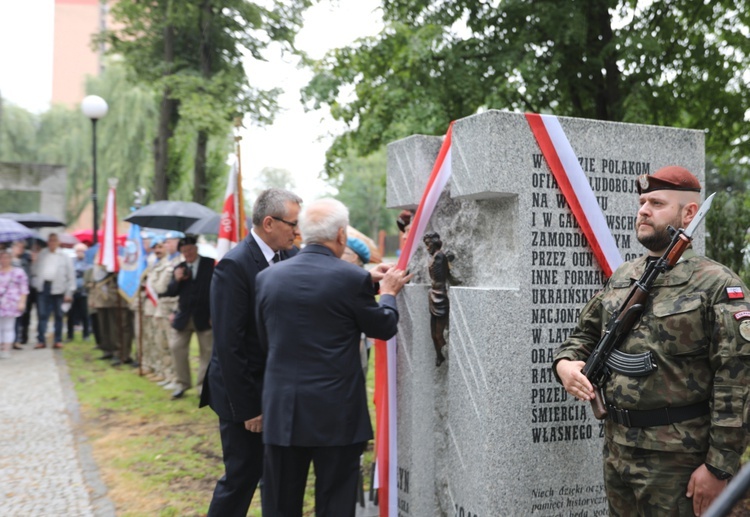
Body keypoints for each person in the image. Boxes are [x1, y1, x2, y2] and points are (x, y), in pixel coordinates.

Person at [553, 165, 750, 516]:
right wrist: (565, 365)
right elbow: (584, 335)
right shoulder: (624, 276)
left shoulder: (716, 284)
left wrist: (720, 467)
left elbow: (737, 379)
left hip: (680, 460)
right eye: (642, 201)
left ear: (689, 213)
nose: (643, 210)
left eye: (657, 203)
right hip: (618, 451)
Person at [256, 198, 411, 517]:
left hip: (283, 410)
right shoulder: (350, 279)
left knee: (280, 503)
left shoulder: (268, 278)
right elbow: (383, 327)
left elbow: (265, 337)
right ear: (341, 235)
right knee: (335, 502)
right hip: (335, 414)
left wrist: (366, 281)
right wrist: (389, 295)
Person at [199, 188, 302, 516]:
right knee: (242, 477)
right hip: (241, 393)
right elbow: (229, 345)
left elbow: (323, 272)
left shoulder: (289, 256)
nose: (297, 232)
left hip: (275, 389)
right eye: (292, 224)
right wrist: (248, 409)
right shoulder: (235, 265)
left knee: (275, 476)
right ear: (269, 223)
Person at [162, 235, 213, 400]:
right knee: (176, 348)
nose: (188, 253)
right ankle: (182, 384)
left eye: (190, 249)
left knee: (207, 352)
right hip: (184, 317)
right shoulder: (180, 267)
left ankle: (202, 387)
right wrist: (176, 279)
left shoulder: (211, 264)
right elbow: (171, 291)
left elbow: (218, 290)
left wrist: (215, 314)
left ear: (196, 248)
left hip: (205, 317)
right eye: (184, 251)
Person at [32, 233, 75, 349]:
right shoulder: (42, 254)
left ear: (58, 242)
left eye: (54, 240)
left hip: (59, 288)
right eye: (50, 240)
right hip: (44, 287)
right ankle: (41, 339)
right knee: (42, 314)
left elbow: (71, 276)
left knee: (59, 315)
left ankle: (58, 339)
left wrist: (69, 292)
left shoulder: (64, 256)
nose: (52, 243)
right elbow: (35, 271)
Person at [0, 248, 29, 359]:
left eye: (6, 257)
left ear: (10, 258)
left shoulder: (18, 272)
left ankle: (6, 349)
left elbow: (24, 289)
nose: (4, 260)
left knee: (8, 326)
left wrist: (22, 302)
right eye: (2, 257)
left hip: (11, 303)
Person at [67, 243, 91, 341]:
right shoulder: (71, 262)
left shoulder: (88, 262)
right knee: (71, 314)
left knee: (85, 314)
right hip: (73, 291)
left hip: (84, 292)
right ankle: (70, 335)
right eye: (78, 251)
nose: (80, 253)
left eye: (82, 251)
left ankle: (86, 335)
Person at [11, 240, 32, 348]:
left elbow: (28, 278)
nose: (20, 249)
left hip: (20, 293)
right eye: (18, 246)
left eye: (22, 247)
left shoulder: (25, 261)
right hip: (7, 294)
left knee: (20, 317)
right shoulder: (6, 259)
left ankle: (17, 339)